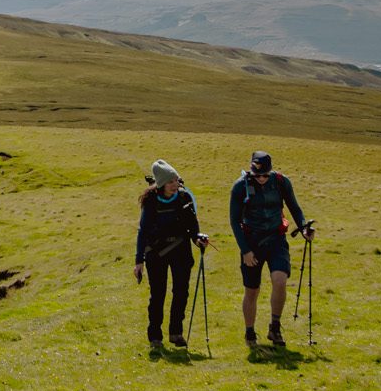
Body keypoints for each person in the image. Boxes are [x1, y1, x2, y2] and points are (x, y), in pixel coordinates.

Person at [229, 149, 313, 348]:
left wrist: (303, 227)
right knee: (252, 290)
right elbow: (234, 221)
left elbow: (294, 207)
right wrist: (245, 250)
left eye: (265, 175)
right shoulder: (240, 186)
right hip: (252, 242)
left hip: (276, 239)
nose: (261, 179)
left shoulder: (282, 182)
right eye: (257, 175)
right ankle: (250, 332)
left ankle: (275, 327)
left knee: (280, 281)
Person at [134, 159, 209, 348]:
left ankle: (176, 333)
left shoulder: (185, 197)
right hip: (156, 253)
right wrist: (139, 260)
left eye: (176, 180)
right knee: (158, 294)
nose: (175, 185)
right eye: (170, 182)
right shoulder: (151, 201)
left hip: (181, 250)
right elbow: (143, 231)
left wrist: (198, 239)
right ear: (161, 184)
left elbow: (193, 226)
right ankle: (155, 336)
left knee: (181, 292)